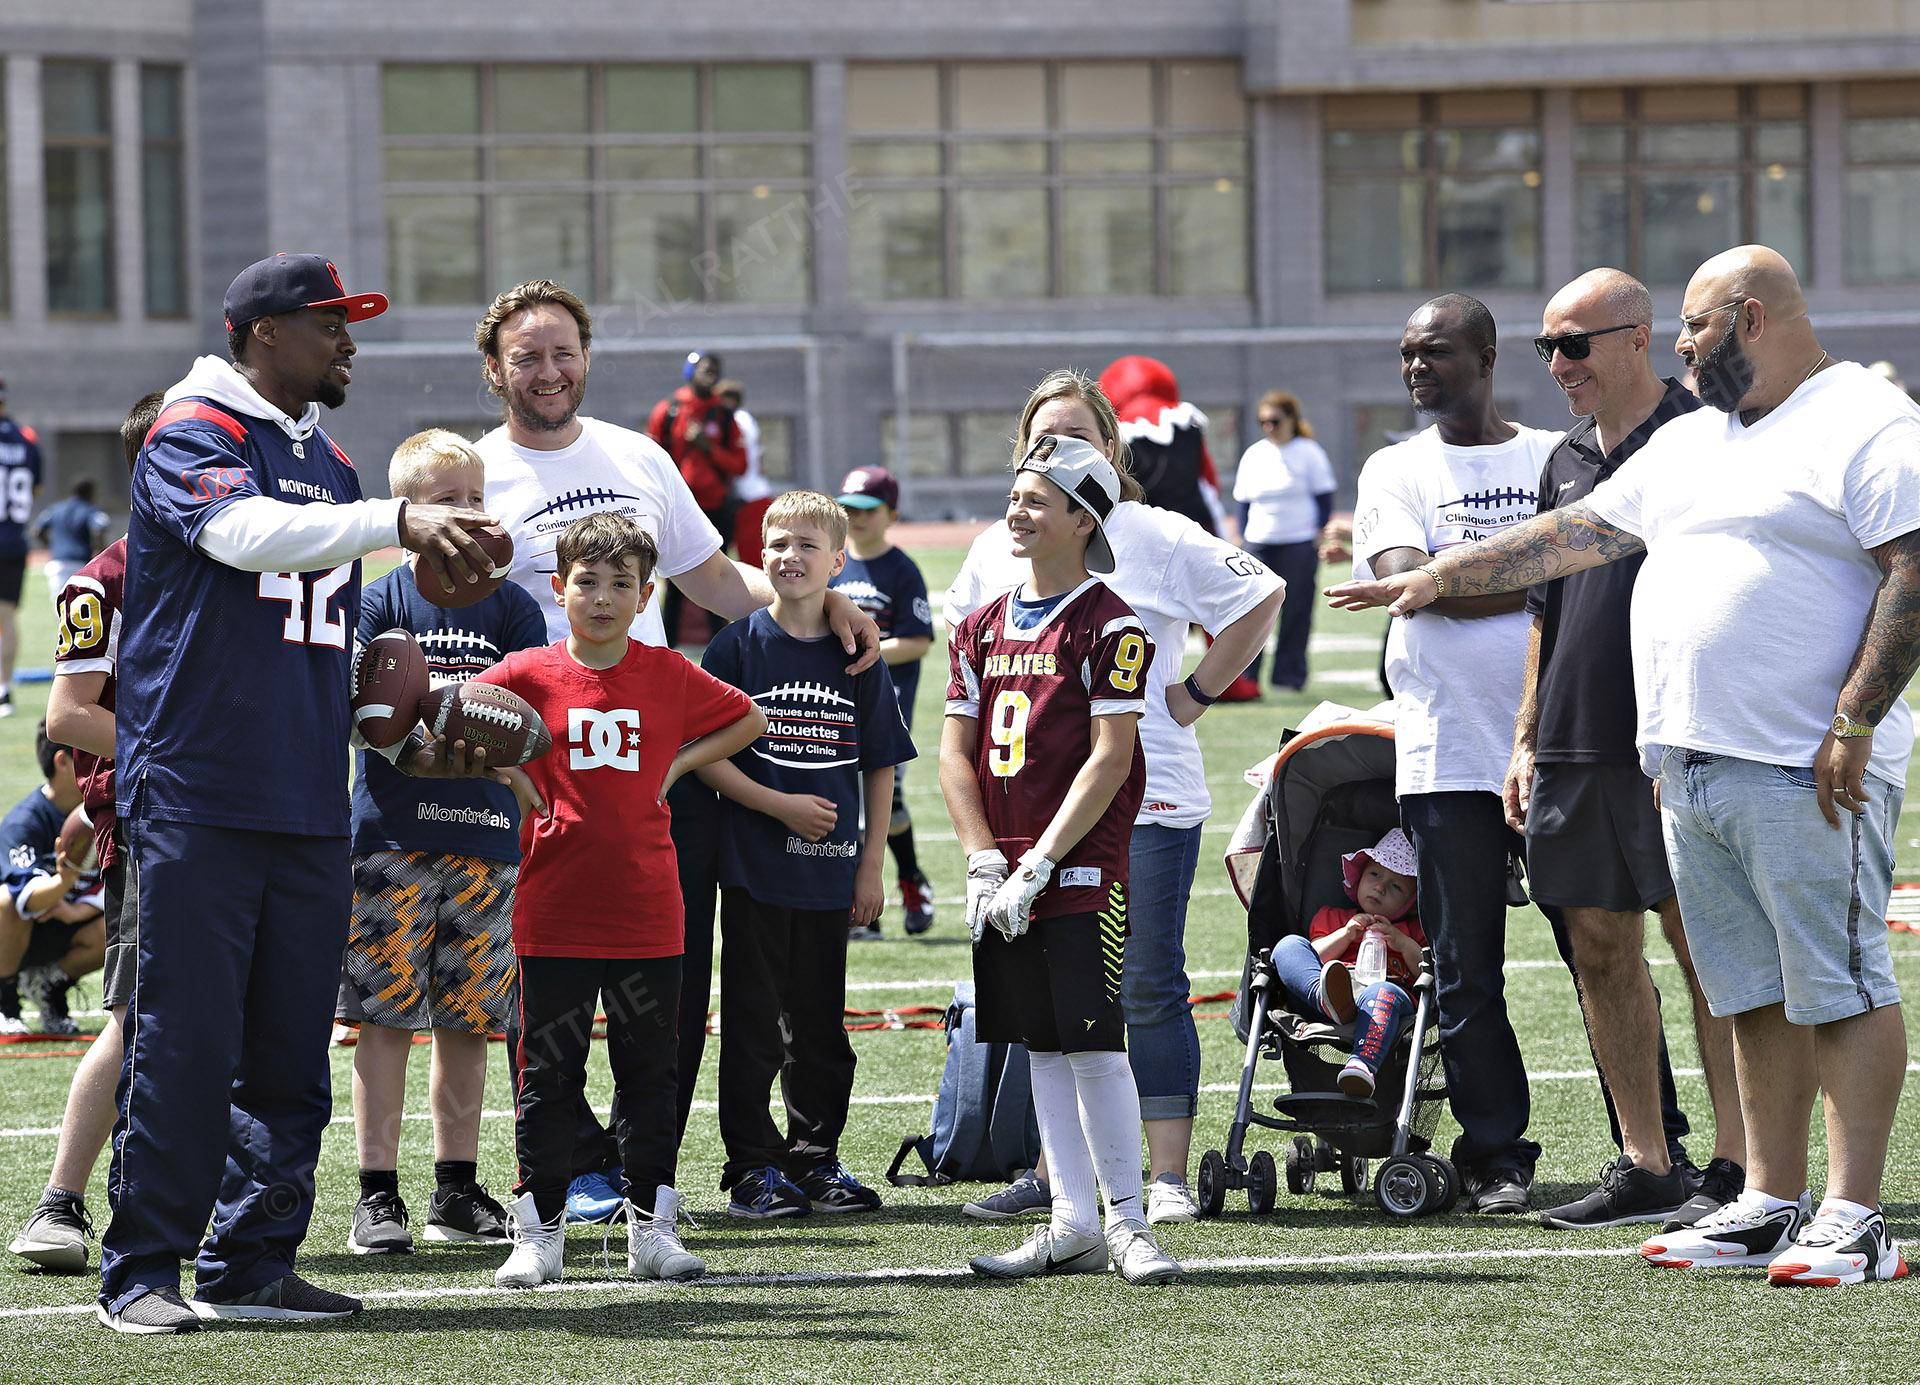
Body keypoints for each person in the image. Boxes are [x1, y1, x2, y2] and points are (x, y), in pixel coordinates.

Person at [1329, 245, 1918, 1288]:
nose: (1682, 348)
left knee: (1840, 983)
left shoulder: (1863, 420)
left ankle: (1856, 1211)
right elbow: (1574, 535)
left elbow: (1913, 565)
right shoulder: (1703, 440)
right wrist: (1433, 577)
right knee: (1750, 994)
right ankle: (1769, 1200)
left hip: (1805, 762)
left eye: (1693, 327)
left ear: (1749, 317)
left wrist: (1856, 719)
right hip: (1691, 763)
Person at [97, 252, 500, 1336]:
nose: (346, 341)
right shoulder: (196, 429)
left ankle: (254, 1257)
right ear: (263, 332)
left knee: (287, 1048)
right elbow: (240, 535)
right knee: (184, 1043)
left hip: (309, 792)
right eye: (328, 322)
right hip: (201, 787)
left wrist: (406, 702)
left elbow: (330, 637)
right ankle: (142, 1267)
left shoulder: (327, 457)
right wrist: (396, 520)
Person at [473, 279, 879, 1219]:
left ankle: (640, 1162)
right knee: (550, 976)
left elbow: (716, 580)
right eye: (527, 355)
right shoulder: (476, 471)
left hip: (655, 759)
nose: (548, 370)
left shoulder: (638, 455)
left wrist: (822, 606)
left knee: (672, 964)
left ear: (587, 358)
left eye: (563, 351)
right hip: (543, 771)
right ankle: (572, 1166)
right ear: (493, 367)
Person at [946, 369, 1283, 1227]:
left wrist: (1197, 691)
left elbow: (1260, 593)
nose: (1055, 455)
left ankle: (1161, 1175)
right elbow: (973, 661)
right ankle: (1055, 1174)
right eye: (1038, 440)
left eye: (1077, 438)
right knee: (1040, 994)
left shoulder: (1156, 534)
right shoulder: (1000, 540)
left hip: (1146, 795)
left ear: (1111, 448)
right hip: (1032, 806)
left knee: (1145, 984)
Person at [473, 512, 762, 1287]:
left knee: (650, 1074)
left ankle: (653, 1229)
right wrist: (509, 770)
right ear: (559, 588)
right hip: (555, 912)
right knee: (548, 1078)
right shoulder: (527, 671)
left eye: (621, 584)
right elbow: (455, 715)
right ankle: (538, 1234)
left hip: (647, 914)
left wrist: (676, 765)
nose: (602, 597)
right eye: (587, 582)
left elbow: (748, 718)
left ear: (645, 596)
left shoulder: (667, 673)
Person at [1514, 270, 1745, 1234]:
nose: (1560, 365)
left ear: (1640, 337)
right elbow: (1543, 604)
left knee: (1710, 952)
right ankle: (1647, 1162)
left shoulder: (1703, 441)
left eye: (1575, 344)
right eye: (1547, 349)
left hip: (1671, 739)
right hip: (1569, 741)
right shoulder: (1563, 456)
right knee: (1601, 947)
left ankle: (1740, 1165)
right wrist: (1525, 733)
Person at [946, 432, 1180, 1286]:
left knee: (1095, 1043)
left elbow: (1110, 754)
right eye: (1016, 493)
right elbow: (953, 753)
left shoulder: (1110, 621)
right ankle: (1072, 1219)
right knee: (1042, 1045)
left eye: (1038, 498)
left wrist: (1041, 858)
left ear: (1085, 519)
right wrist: (981, 857)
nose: (1018, 509)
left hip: (1078, 865)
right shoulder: (978, 623)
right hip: (1003, 866)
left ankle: (1128, 1219)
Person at [1347, 293, 1560, 1214]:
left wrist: (1451, 575)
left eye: (1433, 351)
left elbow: (1441, 580)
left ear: (1486, 353)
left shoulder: (1554, 454)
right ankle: (1496, 1154)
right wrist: (1539, 568)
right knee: (1468, 965)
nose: (1415, 367)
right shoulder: (1394, 466)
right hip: (1445, 752)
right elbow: (1405, 584)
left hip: (1563, 743)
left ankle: (1654, 1144)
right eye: (1405, 354)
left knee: (1605, 952)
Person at [338, 430, 550, 1257]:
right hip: (393, 837)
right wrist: (417, 748)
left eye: (474, 495)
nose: (467, 512)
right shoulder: (383, 597)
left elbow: (536, 713)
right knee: (385, 1018)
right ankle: (376, 1193)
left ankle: (456, 1188)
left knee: (470, 1023)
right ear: (408, 515)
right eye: (446, 500)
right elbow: (361, 713)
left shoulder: (513, 605)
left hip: (489, 843)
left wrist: (496, 749)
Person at [698, 491, 914, 1219]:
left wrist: (871, 863)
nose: (790, 556)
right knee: (755, 1023)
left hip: (830, 876)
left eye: (806, 545)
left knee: (820, 1028)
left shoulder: (857, 651)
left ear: (839, 560)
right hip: (758, 870)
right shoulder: (737, 645)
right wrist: (777, 804)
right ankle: (752, 1166)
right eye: (777, 543)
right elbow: (702, 756)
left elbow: (881, 761)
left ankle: (816, 1158)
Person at [8, 391, 158, 1273]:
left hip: (261, 818)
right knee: (140, 1013)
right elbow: (69, 717)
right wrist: (192, 752)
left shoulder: (248, 565)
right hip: (159, 816)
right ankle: (62, 1199)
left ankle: (234, 1207)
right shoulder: (102, 577)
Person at [832, 465, 936, 940]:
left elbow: (916, 640)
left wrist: (860, 651)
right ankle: (863, 911)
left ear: (891, 513)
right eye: (849, 508)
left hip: (885, 704)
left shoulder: (901, 569)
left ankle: (910, 878)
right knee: (847, 801)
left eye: (868, 510)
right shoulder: (833, 563)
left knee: (887, 803)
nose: (856, 518)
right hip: (835, 702)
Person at [1267, 829, 1427, 1099]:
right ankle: (1325, 998)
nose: (1380, 887)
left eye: (1396, 886)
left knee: (1382, 993)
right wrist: (1345, 934)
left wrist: (1401, 943)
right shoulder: (1333, 918)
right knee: (1288, 946)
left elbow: (1425, 968)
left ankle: (1361, 1064)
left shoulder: (1411, 931)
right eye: (1374, 874)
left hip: (1382, 994)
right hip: (1330, 988)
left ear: (1410, 903)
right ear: (1360, 877)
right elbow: (1313, 956)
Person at [0, 721, 106, 1037]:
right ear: (62, 762)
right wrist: (64, 881)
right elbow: (24, 896)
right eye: (89, 760)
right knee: (5, 903)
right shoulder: (25, 823)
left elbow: (124, 881)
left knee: (131, 919)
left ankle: (49, 989)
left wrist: (80, 909)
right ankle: (6, 1003)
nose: (99, 769)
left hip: (68, 924)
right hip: (23, 931)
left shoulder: (100, 812)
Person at [1234, 391, 1336, 691]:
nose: (1269, 427)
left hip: (1298, 541)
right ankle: (1245, 677)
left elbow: (1324, 496)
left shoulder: (1309, 452)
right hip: (1259, 542)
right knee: (1251, 610)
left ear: (1292, 420)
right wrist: (1242, 536)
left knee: (1296, 610)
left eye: (1275, 421)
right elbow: (1243, 501)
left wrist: (1319, 531)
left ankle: (1289, 676)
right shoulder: (1254, 454)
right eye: (1262, 422)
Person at [649, 349, 746, 645]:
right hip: (679, 508)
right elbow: (653, 458)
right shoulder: (669, 411)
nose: (709, 373)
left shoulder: (725, 415)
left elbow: (739, 464)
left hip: (716, 507)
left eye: (714, 369)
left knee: (717, 575)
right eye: (704, 368)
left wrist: (707, 447)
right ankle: (665, 651)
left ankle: (723, 649)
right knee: (675, 581)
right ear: (689, 371)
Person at [0, 376, 44, 716]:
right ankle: (4, 690)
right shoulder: (26, 440)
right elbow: (35, 490)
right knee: (7, 617)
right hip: (14, 540)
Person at [716, 378, 775, 570]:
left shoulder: (738, 421)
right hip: (751, 495)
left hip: (750, 497)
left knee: (754, 562)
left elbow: (741, 463)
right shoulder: (745, 418)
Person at [33, 479, 113, 605]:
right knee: (81, 607)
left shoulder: (55, 508)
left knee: (60, 608)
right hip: (81, 564)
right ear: (90, 493)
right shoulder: (91, 510)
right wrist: (100, 552)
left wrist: (51, 546)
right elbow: (98, 530)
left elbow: (37, 531)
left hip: (57, 563)